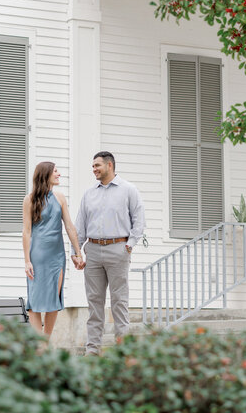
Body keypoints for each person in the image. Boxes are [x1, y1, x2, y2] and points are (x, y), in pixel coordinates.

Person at [73, 151, 144, 355]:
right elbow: (80, 225)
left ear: (110, 165)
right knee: (94, 303)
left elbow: (139, 220)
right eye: (93, 166)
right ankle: (92, 350)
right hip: (93, 251)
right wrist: (76, 251)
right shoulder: (89, 194)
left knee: (119, 301)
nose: (94, 169)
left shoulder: (129, 190)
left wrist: (129, 245)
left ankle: (123, 350)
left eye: (97, 166)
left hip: (118, 249)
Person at [21, 160, 83, 337]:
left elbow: (69, 227)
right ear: (46, 174)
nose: (59, 174)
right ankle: (37, 340)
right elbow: (26, 232)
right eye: (55, 171)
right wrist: (27, 261)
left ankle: (45, 341)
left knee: (54, 299)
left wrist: (78, 252)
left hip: (57, 255)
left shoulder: (60, 197)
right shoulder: (29, 200)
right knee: (35, 298)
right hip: (38, 254)